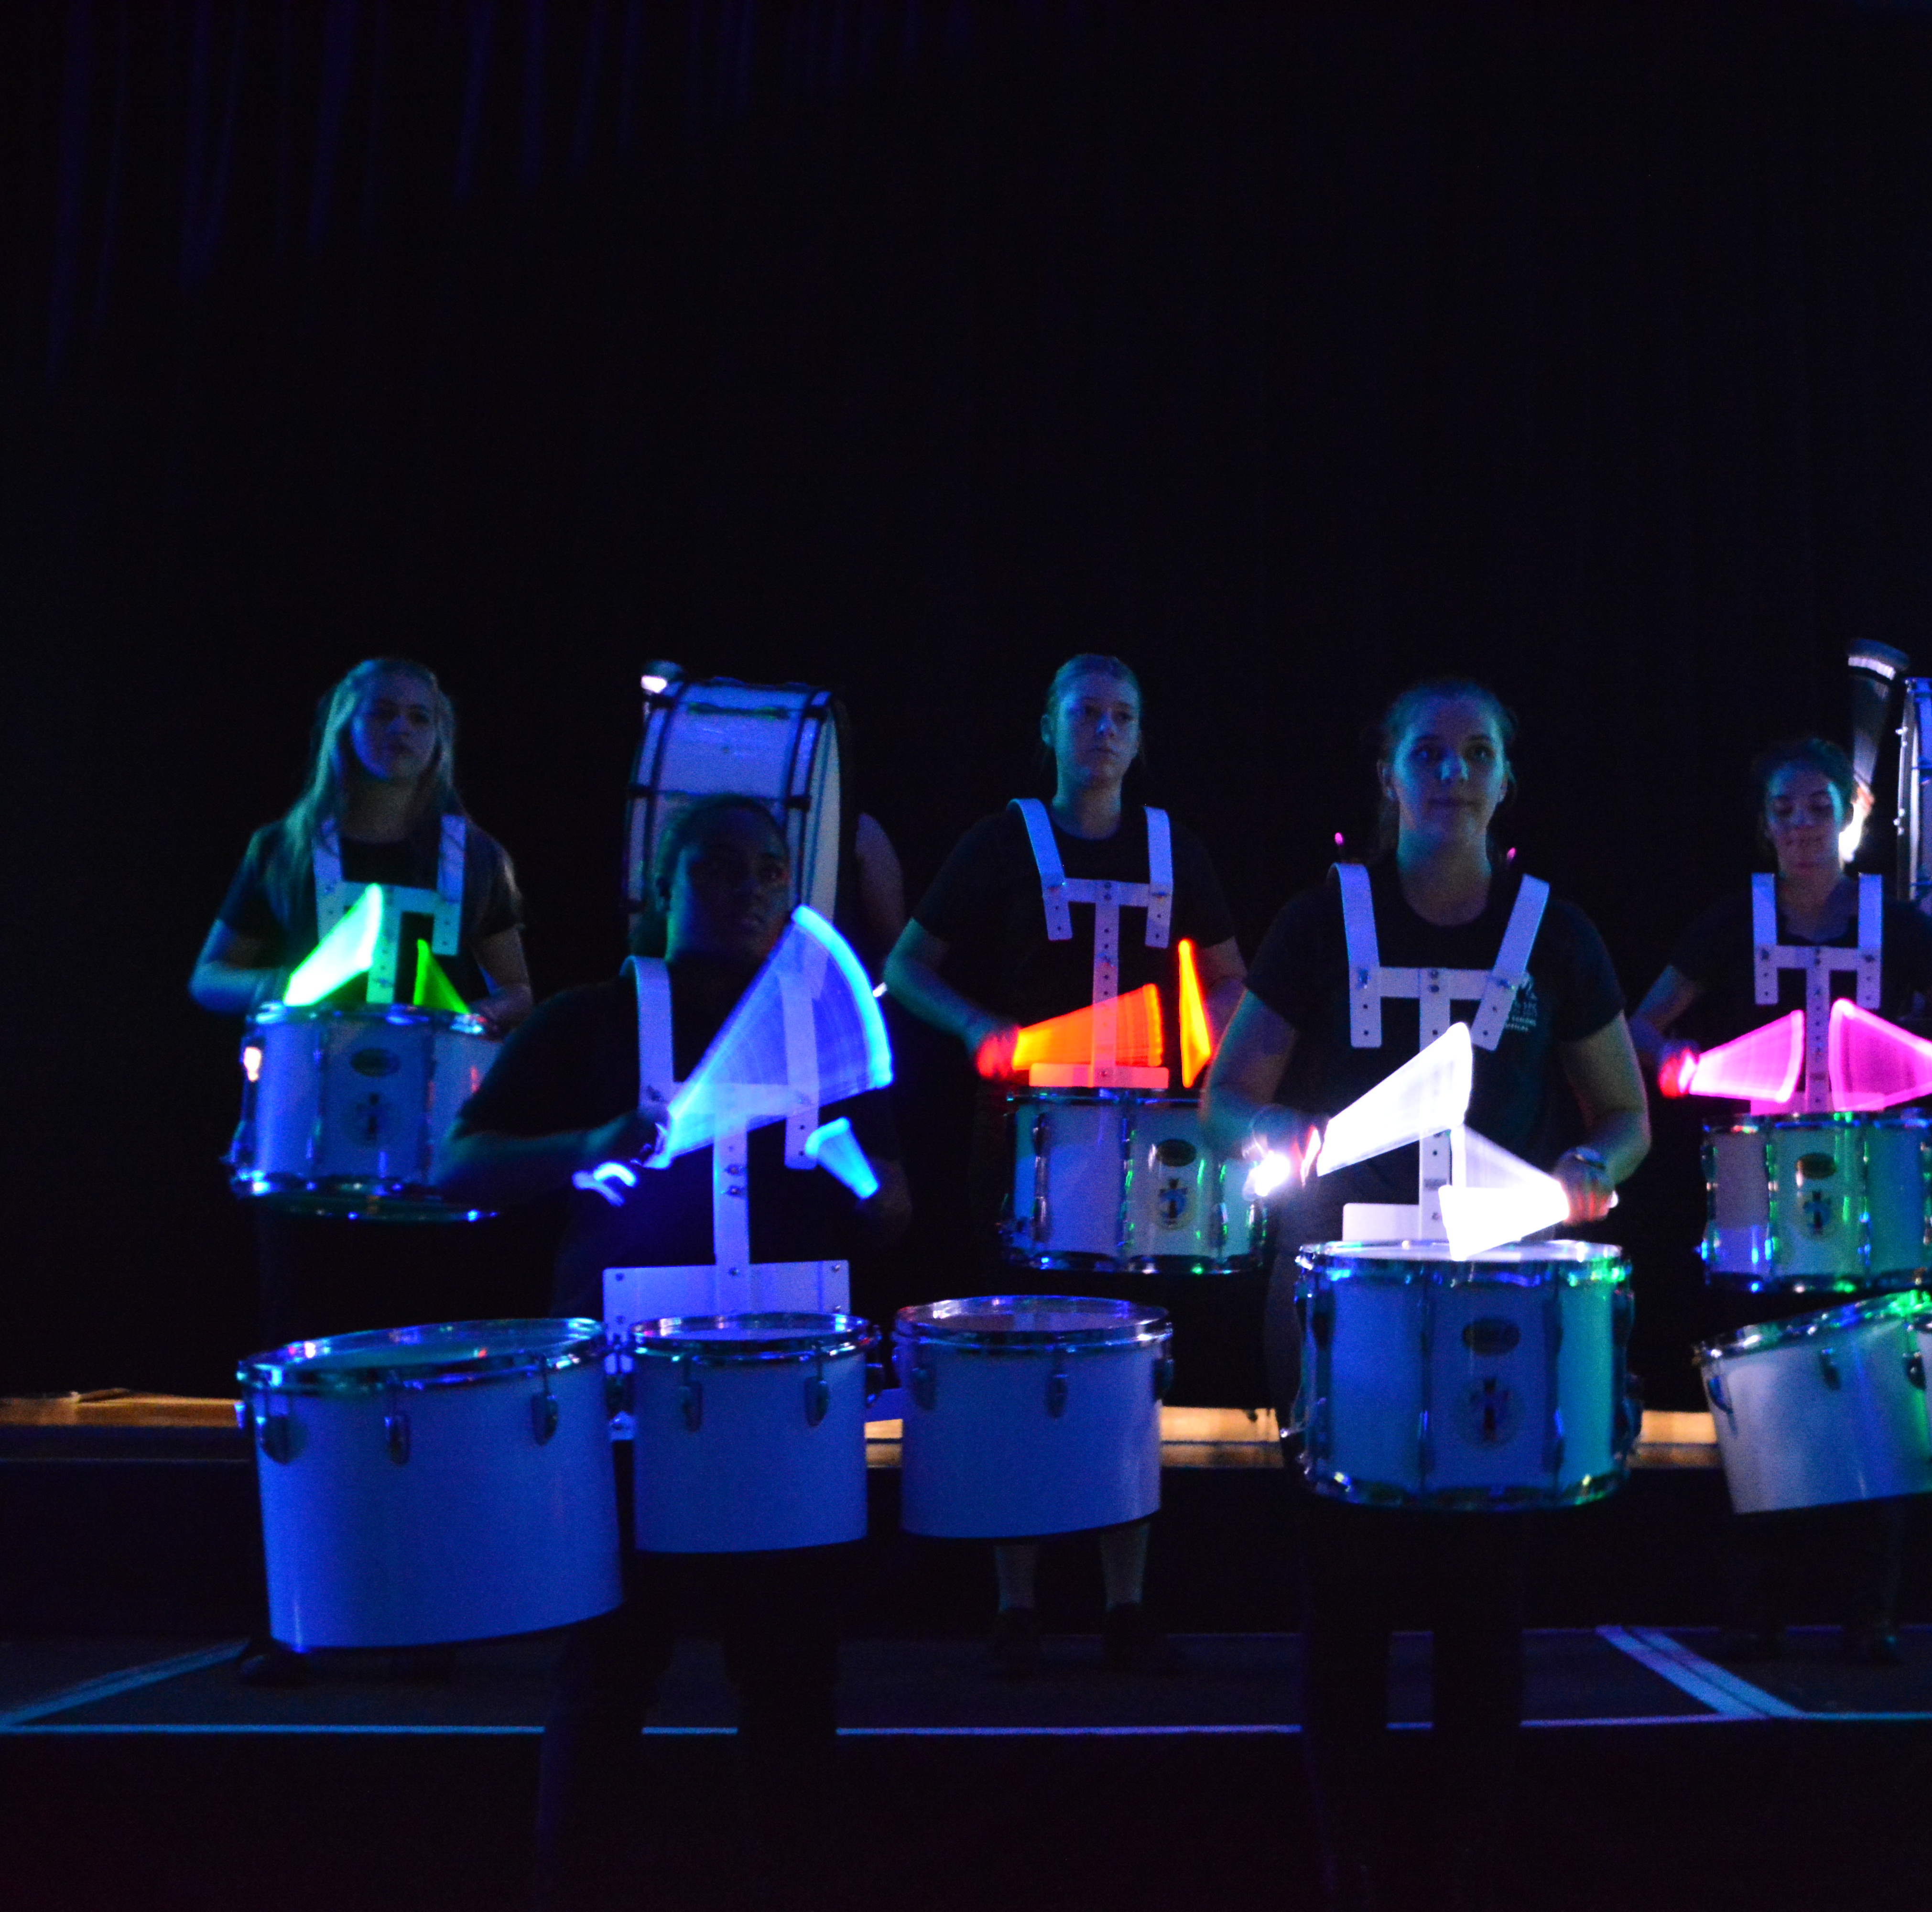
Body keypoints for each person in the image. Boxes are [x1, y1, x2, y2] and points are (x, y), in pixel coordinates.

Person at [1202, 678, 1650, 1911]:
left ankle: (1462, 1870)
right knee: (1344, 1605)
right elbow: (1224, 1097)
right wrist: (1277, 1132)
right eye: (1430, 752)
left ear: (1507, 780)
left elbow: (1627, 1114)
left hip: (1493, 1309)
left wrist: (1592, 1164)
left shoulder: (1556, 931)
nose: (1453, 772)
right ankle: (1348, 1863)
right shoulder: (1319, 920)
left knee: (1483, 1612)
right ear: (1390, 776)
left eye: (1477, 752)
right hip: (1341, 1305)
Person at [438, 794, 909, 1912]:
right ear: (664, 884)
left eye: (769, 871)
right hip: (625, 1397)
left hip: (784, 1399)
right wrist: (585, 1146)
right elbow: (457, 1165)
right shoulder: (590, 1021)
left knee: (792, 1682)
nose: (747, 889)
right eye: (718, 867)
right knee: (605, 1674)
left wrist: (853, 1169)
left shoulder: (824, 1040)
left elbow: (894, 1212)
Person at [885, 654, 1245, 1675]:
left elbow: (1230, 978)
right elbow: (905, 968)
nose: (1105, 730)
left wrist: (1221, 1058)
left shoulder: (1176, 846)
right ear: (1049, 725)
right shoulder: (1002, 840)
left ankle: (1127, 1602)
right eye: (1086, 712)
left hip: (1149, 1146)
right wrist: (977, 1028)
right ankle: (1017, 1605)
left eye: (1123, 715)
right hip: (1024, 1140)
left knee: (1130, 1367)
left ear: (1141, 735)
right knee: (1020, 1357)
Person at [192, 658, 535, 1688]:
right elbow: (208, 977)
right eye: (382, 711)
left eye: (421, 715)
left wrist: (475, 1016)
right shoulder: (286, 848)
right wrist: (294, 980)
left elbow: (519, 992)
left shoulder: (476, 857)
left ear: (443, 736)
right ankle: (294, 1613)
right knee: (302, 1383)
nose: (401, 729)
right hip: (306, 1162)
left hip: (429, 1163)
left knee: (421, 1379)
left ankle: (420, 1610)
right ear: (344, 724)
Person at [1627, 737, 1932, 1663]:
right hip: (1760, 1190)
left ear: (1850, 817)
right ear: (1765, 824)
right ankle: (1757, 1605)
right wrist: (1675, 1063)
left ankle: (1873, 1611)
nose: (1800, 825)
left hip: (1876, 1188)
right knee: (1765, 1390)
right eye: (1783, 809)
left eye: (1816, 807)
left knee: (1881, 1389)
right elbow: (1641, 1023)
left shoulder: (1899, 925)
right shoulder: (1731, 922)